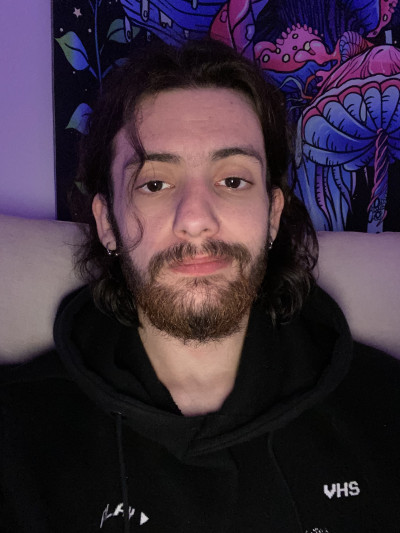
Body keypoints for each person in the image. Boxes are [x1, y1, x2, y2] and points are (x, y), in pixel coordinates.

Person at [1, 39, 399, 533]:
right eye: (154, 183)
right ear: (106, 224)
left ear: (273, 216)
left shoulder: (385, 406)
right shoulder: (16, 434)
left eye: (233, 181)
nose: (195, 219)